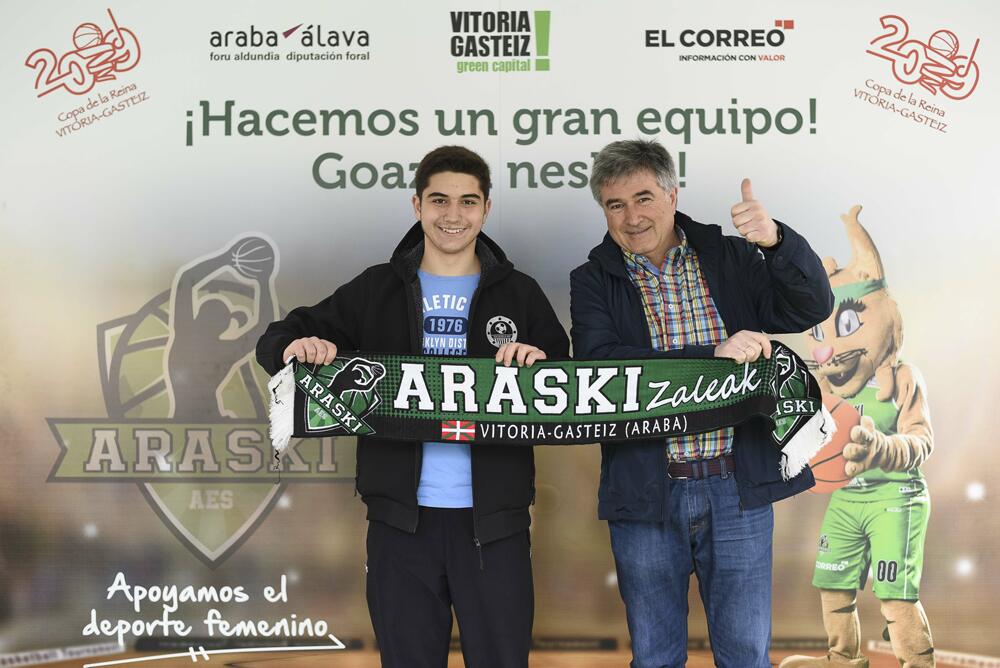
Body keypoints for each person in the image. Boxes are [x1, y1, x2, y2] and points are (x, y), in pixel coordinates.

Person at [255, 145, 569, 668]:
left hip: (495, 528)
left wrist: (545, 364)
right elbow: (278, 338)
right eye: (439, 200)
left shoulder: (520, 294)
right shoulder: (377, 289)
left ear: (486, 209)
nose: (453, 215)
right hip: (402, 529)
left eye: (468, 202)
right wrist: (298, 349)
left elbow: (569, 381)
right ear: (417, 205)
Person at [569, 139, 833, 668]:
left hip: (738, 487)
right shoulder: (592, 279)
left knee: (744, 655)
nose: (631, 216)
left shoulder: (731, 257)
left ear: (672, 194)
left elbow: (810, 306)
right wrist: (711, 357)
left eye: (643, 198)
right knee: (655, 656)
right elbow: (606, 370)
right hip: (646, 489)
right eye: (615, 205)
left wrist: (777, 243)